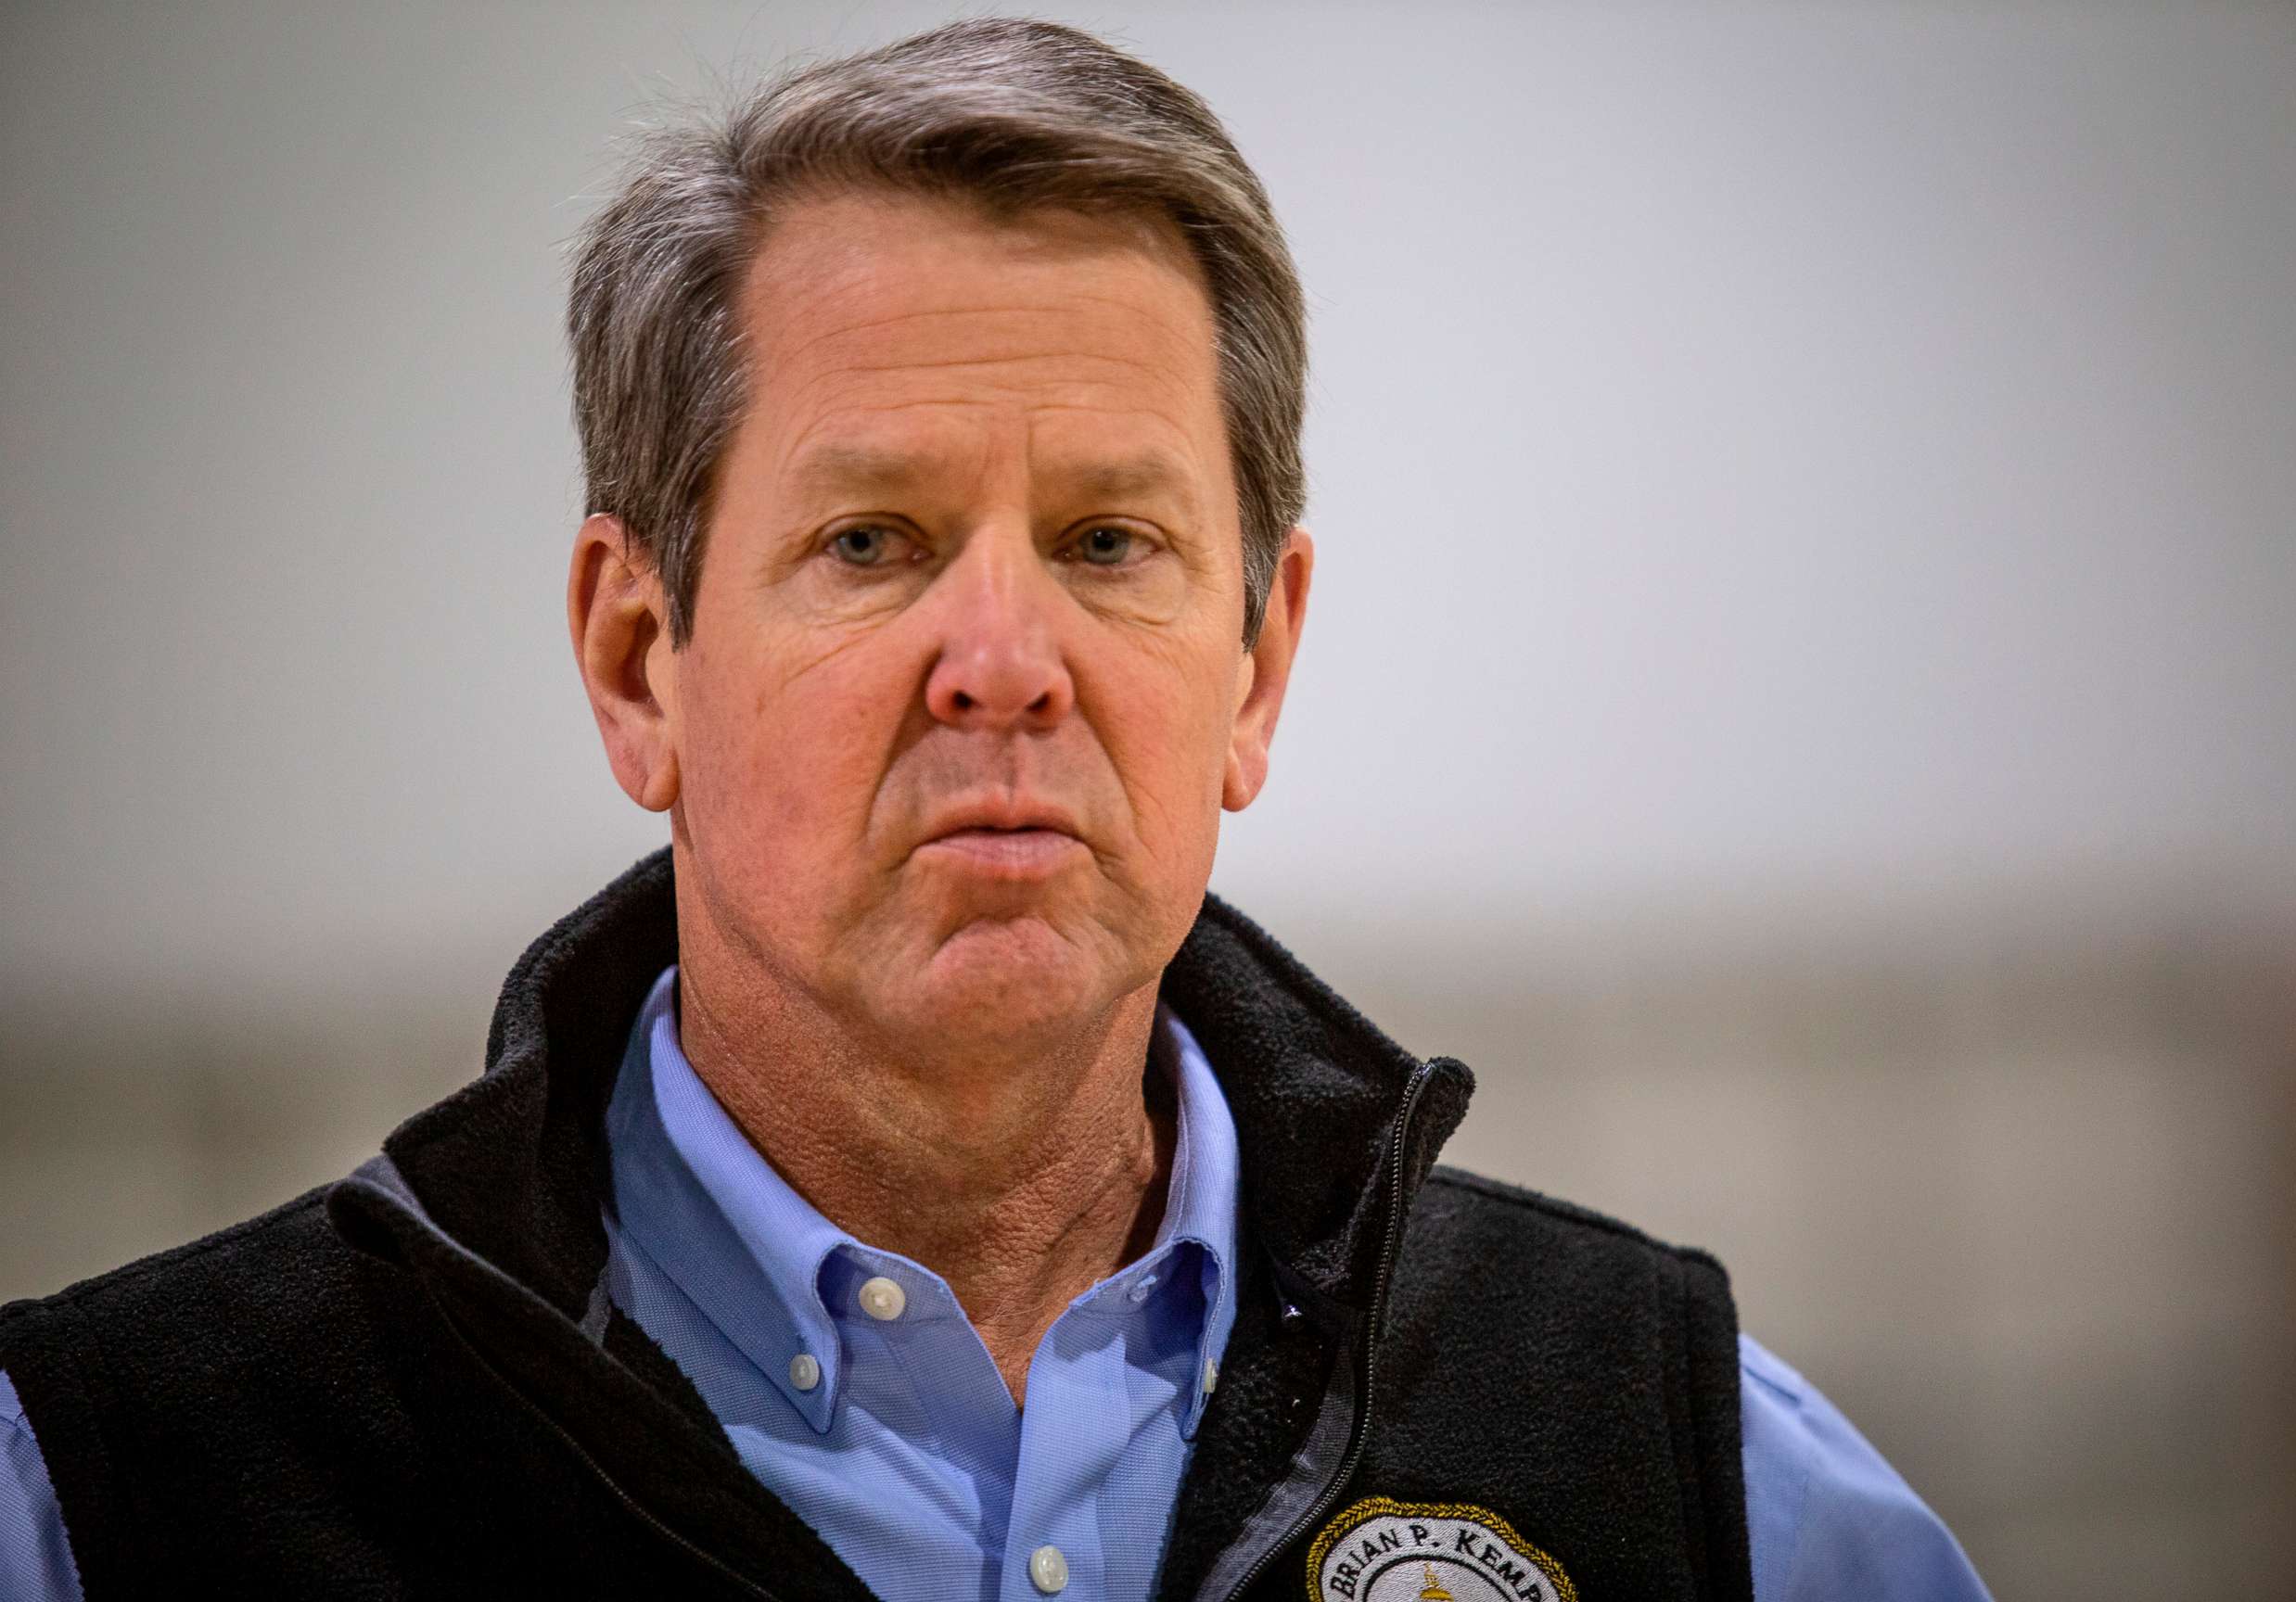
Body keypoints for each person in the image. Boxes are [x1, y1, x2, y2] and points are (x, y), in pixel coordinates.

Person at [0, 19, 1990, 1601]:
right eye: (873, 541)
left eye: (1112, 540)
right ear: (637, 658)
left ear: (1257, 667)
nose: (1006, 661)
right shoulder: (117, 1494)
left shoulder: (1679, 1457)